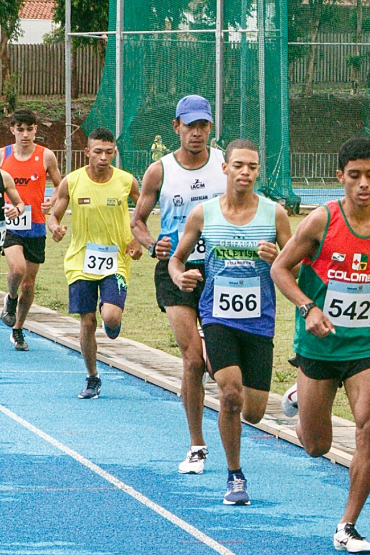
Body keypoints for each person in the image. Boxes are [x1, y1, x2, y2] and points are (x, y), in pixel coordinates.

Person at [272, 138, 370, 553]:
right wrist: (307, 308)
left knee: (369, 426)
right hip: (319, 344)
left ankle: (348, 524)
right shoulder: (322, 221)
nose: (363, 184)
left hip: (365, 346)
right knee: (316, 446)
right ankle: (301, 396)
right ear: (341, 177)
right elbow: (281, 269)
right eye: (354, 176)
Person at [169, 138, 291, 506]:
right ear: (225, 168)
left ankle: (256, 389)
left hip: (259, 322)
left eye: (252, 167)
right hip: (217, 317)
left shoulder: (275, 215)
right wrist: (179, 276)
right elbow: (176, 259)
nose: (245, 172)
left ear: (258, 171)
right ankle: (235, 476)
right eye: (239, 165)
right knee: (232, 395)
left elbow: (296, 266)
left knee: (253, 411)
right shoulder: (204, 214)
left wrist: (279, 258)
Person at [131, 95, 227, 475]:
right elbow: (137, 220)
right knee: (193, 360)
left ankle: (194, 395)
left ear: (210, 127)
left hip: (219, 271)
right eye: (190, 126)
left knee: (219, 367)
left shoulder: (224, 165)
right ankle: (197, 444)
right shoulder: (160, 171)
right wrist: (152, 244)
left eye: (203, 125)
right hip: (175, 270)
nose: (197, 133)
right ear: (177, 127)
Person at [47, 128, 143, 398]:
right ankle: (92, 377)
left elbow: (143, 212)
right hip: (81, 260)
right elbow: (54, 216)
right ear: (87, 151)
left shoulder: (126, 181)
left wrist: (138, 240)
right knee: (87, 322)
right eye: (98, 152)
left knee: (110, 317)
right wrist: (55, 228)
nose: (103, 158)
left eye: (109, 152)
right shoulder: (72, 181)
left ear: (115, 153)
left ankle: (112, 323)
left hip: (116, 259)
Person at [0, 109, 64, 351]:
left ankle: (18, 329)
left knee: (29, 283)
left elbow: (60, 186)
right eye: (20, 129)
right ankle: (11, 297)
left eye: (29, 129)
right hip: (11, 224)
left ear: (36, 129)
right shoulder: (3, 155)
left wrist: (51, 201)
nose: (25, 134)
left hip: (35, 224)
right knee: (17, 269)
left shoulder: (46, 156)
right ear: (12, 130)